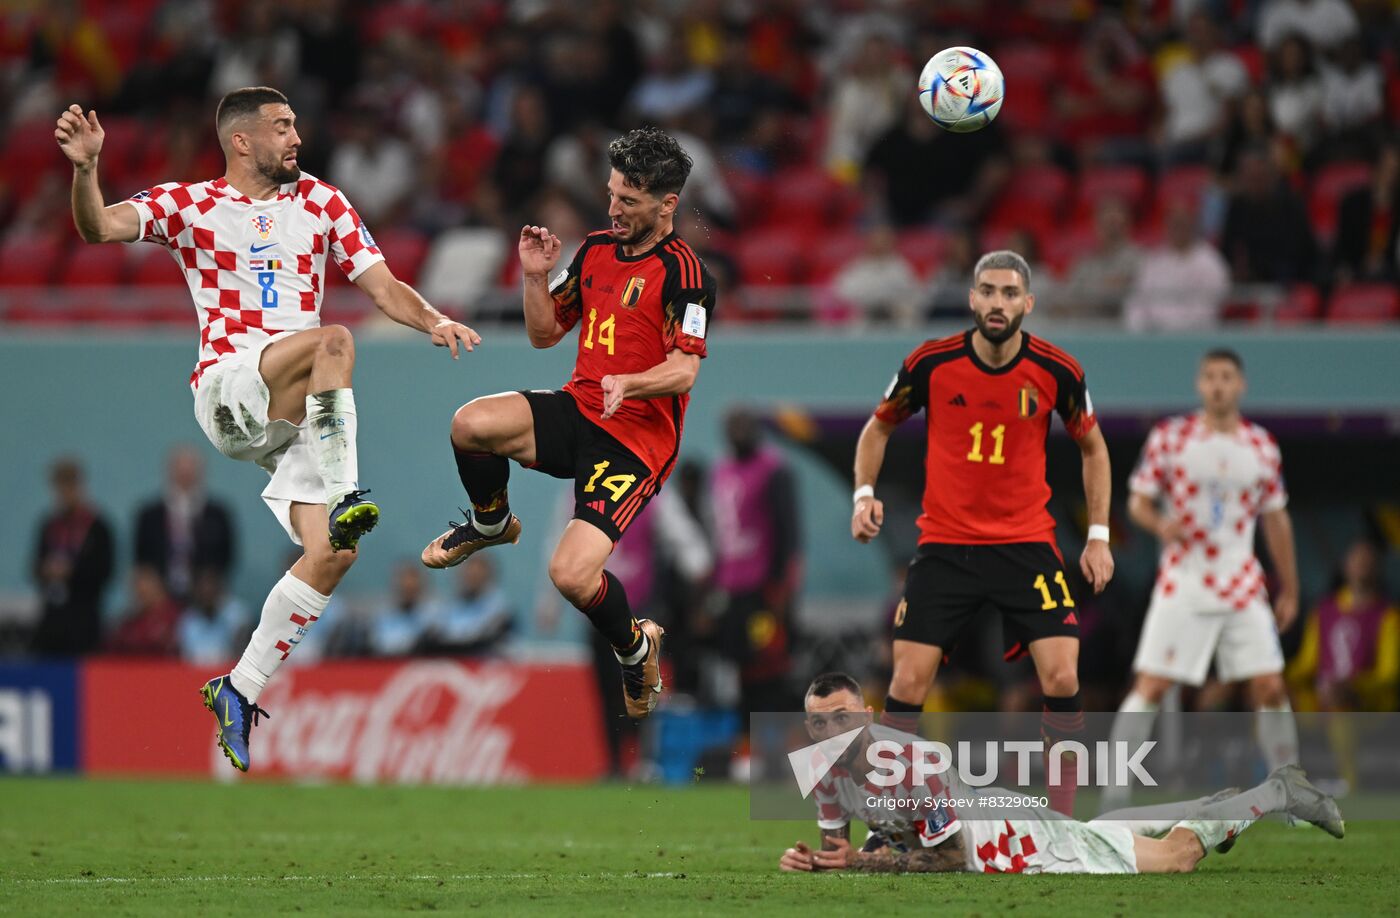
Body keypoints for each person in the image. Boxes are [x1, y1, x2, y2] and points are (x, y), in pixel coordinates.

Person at [55, 86, 479, 771]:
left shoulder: (323, 201)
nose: (297, 138)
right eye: (282, 127)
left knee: (334, 555)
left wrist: (433, 319)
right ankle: (347, 494)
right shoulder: (190, 205)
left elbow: (382, 283)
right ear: (242, 141)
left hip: (297, 411)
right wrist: (85, 169)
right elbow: (98, 228)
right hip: (229, 386)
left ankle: (239, 689)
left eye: (296, 125)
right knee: (333, 340)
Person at [421, 127, 715, 720]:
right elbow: (543, 334)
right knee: (469, 424)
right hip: (579, 408)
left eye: (628, 202)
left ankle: (637, 649)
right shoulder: (596, 250)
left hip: (634, 443)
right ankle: (492, 520)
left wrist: (632, 383)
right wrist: (534, 276)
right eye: (611, 195)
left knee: (571, 574)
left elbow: (684, 372)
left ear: (667, 205)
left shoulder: (687, 273)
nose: (613, 209)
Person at [851, 249, 1114, 816]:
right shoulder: (931, 362)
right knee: (908, 679)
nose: (998, 304)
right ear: (972, 299)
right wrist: (863, 495)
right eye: (988, 292)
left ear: (1028, 302)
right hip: (946, 546)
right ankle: (883, 820)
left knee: (1064, 672)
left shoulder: (1057, 370)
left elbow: (1094, 447)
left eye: (1010, 294)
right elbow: (877, 428)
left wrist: (1097, 536)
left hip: (1027, 545)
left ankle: (1063, 821)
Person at [778, 672, 1343, 875]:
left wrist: (864, 862)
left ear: (867, 716)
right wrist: (818, 862)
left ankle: (1275, 791)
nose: (834, 731)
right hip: (997, 825)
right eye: (821, 723)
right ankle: (1211, 808)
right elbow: (842, 852)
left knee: (1176, 860)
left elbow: (948, 858)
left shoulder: (911, 763)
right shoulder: (823, 770)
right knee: (1103, 836)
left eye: (844, 718)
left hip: (1007, 842)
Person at [1104, 350, 1300, 810]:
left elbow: (1276, 519)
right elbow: (1137, 502)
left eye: (1226, 377)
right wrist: (1159, 524)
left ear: (1240, 385)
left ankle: (1290, 792)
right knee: (1150, 686)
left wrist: (1288, 586)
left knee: (1270, 686)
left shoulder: (1261, 445)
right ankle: (1113, 793)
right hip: (1184, 581)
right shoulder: (1172, 437)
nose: (1217, 385)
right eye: (1210, 377)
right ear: (1199, 384)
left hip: (1242, 582)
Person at [709, 407, 801, 715]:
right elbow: (718, 532)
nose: (737, 434)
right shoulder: (721, 471)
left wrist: (782, 588)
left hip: (764, 588)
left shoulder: (774, 469)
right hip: (731, 588)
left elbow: (789, 531)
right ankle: (745, 744)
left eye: (743, 426)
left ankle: (771, 746)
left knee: (769, 664)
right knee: (739, 665)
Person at [29, 457, 114, 656]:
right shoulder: (50, 525)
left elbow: (105, 570)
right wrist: (47, 570)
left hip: (85, 617)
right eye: (60, 487)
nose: (64, 493)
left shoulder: (97, 527)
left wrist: (72, 572)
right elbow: (35, 566)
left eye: (69, 485)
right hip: (52, 617)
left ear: (79, 486)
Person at [134, 444, 235, 604]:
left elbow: (227, 556)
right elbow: (142, 560)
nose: (185, 475)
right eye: (180, 470)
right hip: (160, 600)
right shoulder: (149, 516)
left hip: (204, 600)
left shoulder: (218, 515)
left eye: (190, 470)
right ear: (170, 472)